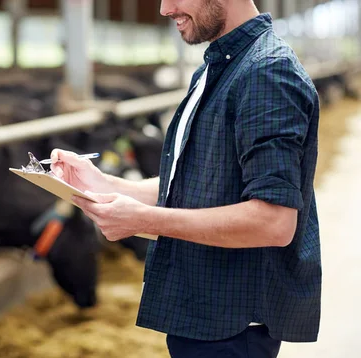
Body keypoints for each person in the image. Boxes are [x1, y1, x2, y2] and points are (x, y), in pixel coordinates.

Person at [50, 1, 321, 357]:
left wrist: (142, 220)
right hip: (205, 310)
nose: (164, 9)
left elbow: (273, 221)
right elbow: (201, 182)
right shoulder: (221, 66)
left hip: (232, 324)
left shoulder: (267, 73)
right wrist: (107, 185)